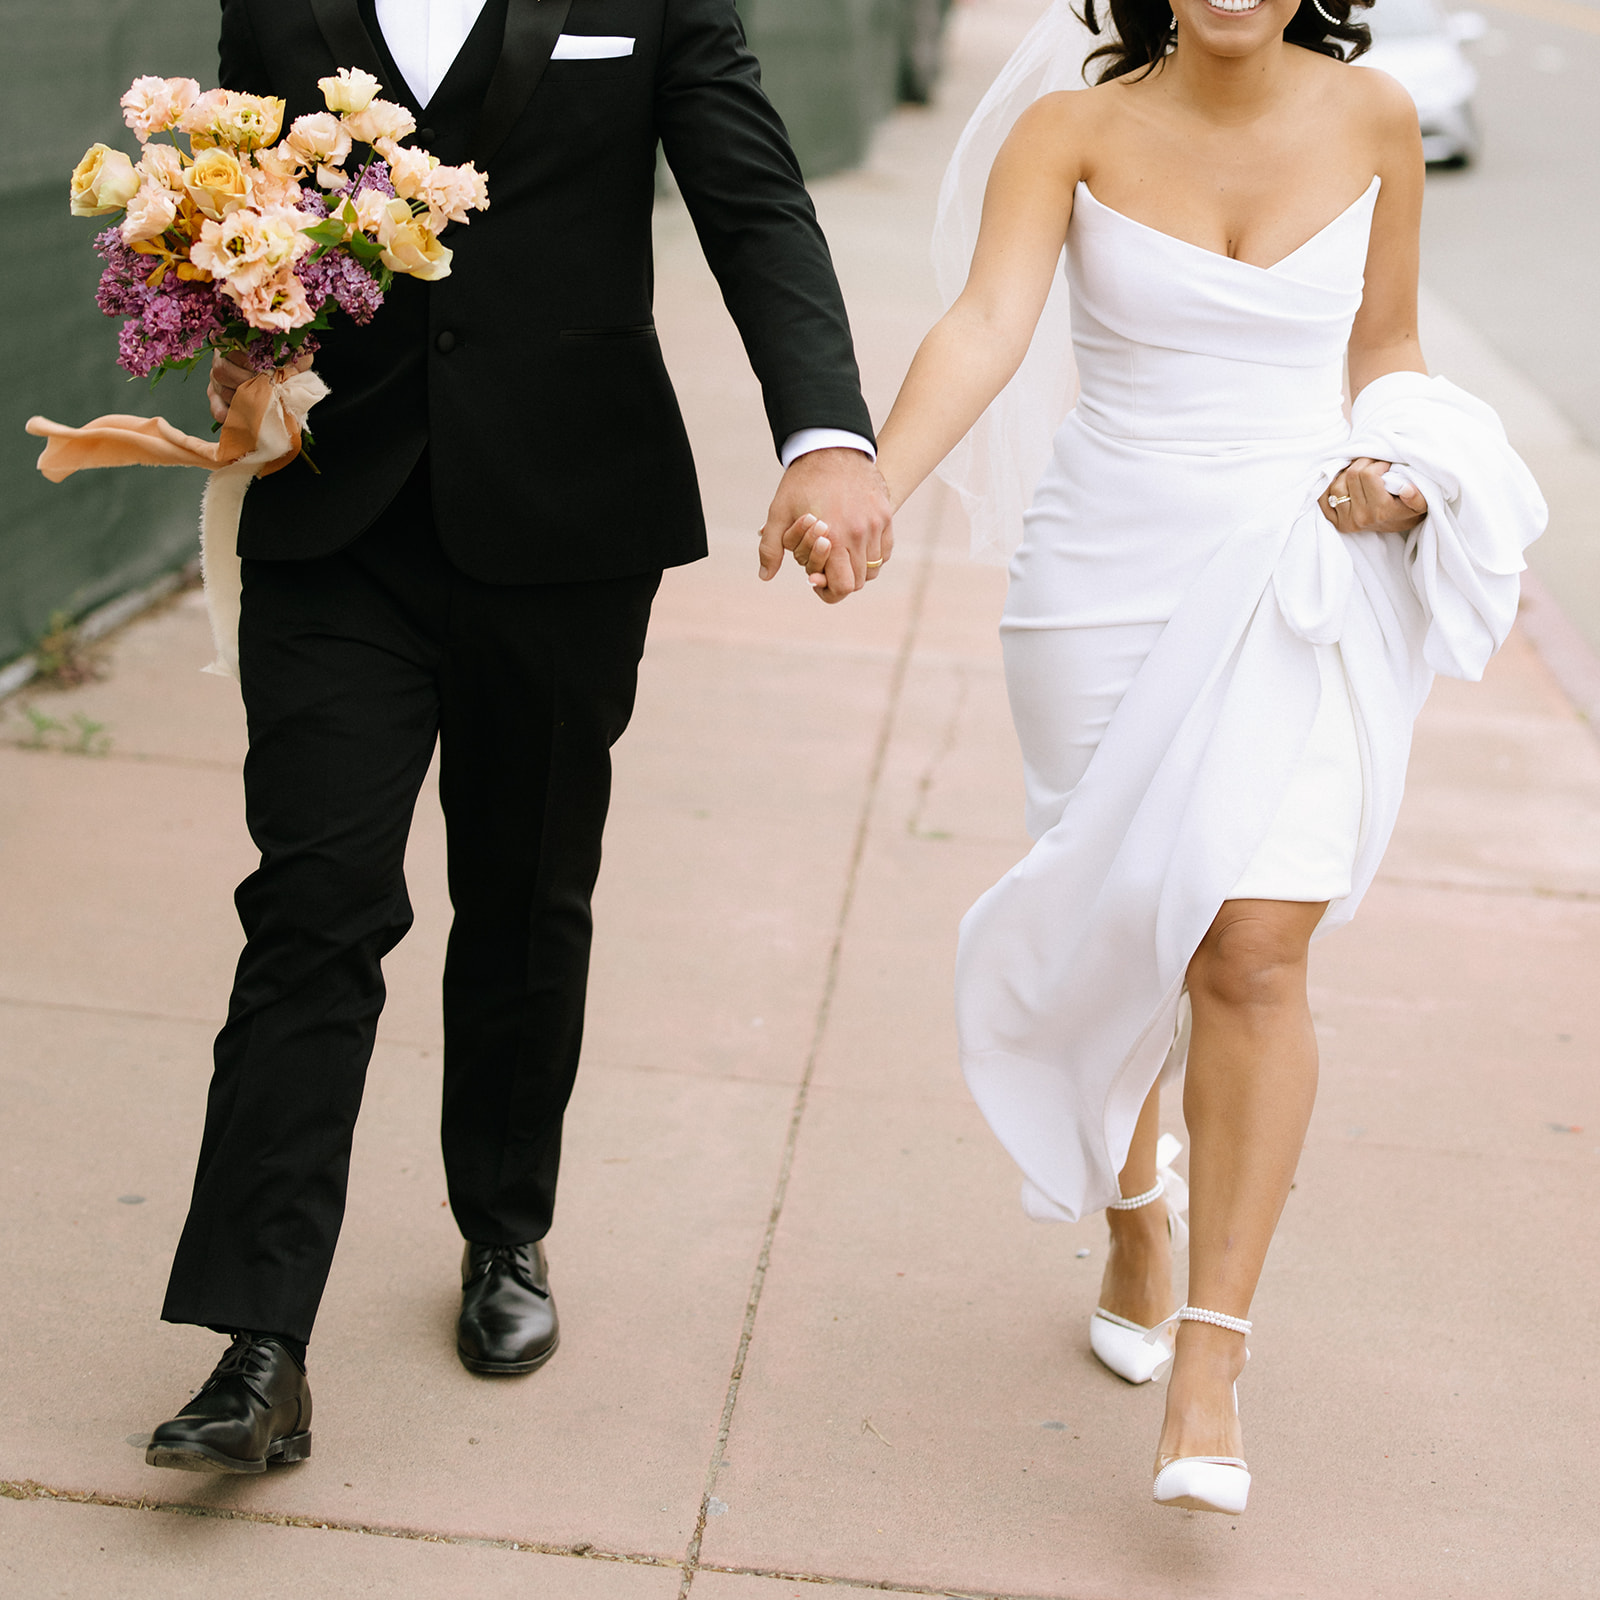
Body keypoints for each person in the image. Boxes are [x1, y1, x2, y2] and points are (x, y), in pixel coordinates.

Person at [782, 0, 1543, 1515]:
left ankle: (1213, 1355)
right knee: (1128, 914)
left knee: (1254, 945)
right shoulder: (1069, 128)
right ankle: (1136, 1204)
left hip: (1296, 563)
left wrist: (1408, 473)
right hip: (1101, 582)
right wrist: (868, 475)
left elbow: (1384, 345)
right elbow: (991, 326)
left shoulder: (1377, 117)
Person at [144, 0, 893, 1476]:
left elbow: (754, 200)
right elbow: (253, 204)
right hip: (335, 515)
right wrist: (232, 333)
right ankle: (258, 1342)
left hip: (567, 519)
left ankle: (504, 1231)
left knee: (527, 894)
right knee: (311, 904)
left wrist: (827, 435)